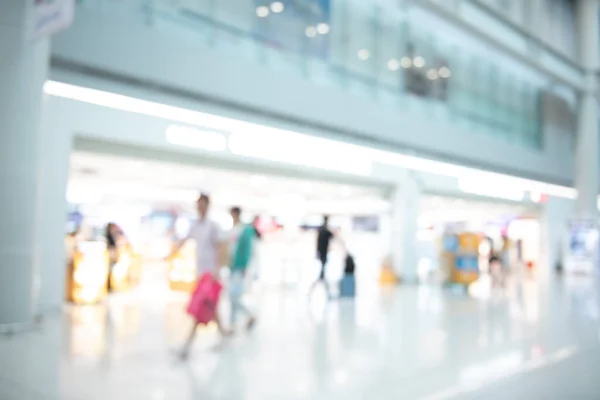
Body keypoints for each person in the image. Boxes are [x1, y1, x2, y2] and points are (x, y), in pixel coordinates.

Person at [167, 193, 230, 359]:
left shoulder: (213, 226)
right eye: (198, 205)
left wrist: (218, 268)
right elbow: (184, 241)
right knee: (211, 308)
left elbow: (222, 247)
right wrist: (170, 254)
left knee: (199, 309)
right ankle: (223, 336)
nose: (199, 208)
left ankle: (186, 346)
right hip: (201, 274)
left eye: (202, 205)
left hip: (211, 275)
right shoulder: (195, 226)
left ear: (207, 206)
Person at [227, 207, 257, 331]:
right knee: (232, 296)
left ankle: (249, 315)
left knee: (234, 296)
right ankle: (233, 323)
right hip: (232, 267)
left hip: (239, 268)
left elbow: (247, 250)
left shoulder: (244, 230)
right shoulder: (233, 230)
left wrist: (244, 266)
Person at [311, 215, 334, 298]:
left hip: (321, 254)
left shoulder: (320, 230)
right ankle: (327, 293)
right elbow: (333, 237)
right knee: (322, 275)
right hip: (323, 255)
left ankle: (327, 293)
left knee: (322, 275)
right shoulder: (326, 230)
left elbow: (317, 243)